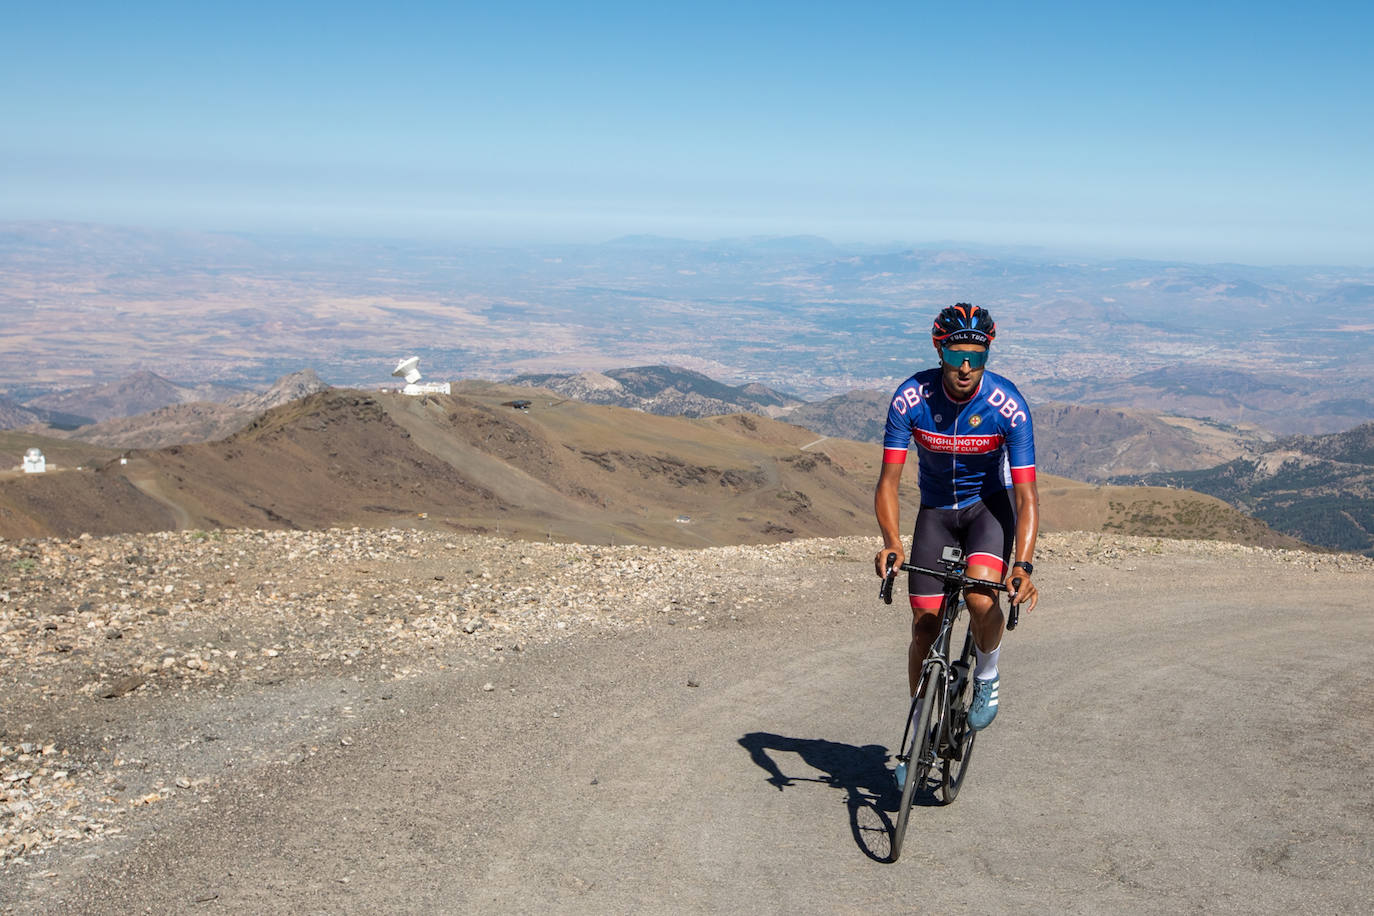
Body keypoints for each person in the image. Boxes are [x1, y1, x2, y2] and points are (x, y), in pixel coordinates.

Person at [873, 303, 1040, 736]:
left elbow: (1026, 497)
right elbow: (888, 482)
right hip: (936, 513)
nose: (966, 367)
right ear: (938, 350)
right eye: (955, 355)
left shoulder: (1009, 406)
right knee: (923, 625)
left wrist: (1022, 565)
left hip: (988, 509)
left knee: (981, 599)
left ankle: (987, 675)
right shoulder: (912, 397)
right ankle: (920, 727)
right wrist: (892, 541)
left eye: (977, 356)